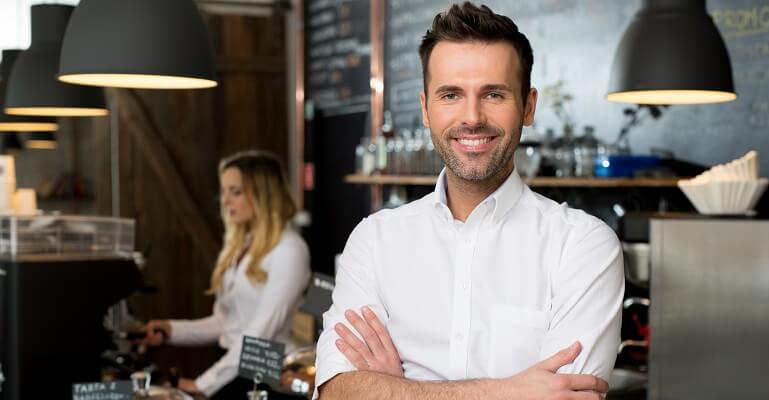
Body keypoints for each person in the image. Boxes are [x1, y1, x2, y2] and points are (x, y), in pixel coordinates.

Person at [314, 3, 624, 399]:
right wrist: (507, 391)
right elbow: (338, 392)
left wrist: (399, 389)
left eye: (494, 94)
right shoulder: (374, 241)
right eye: (451, 95)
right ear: (425, 109)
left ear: (528, 107)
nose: (472, 117)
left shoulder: (582, 245)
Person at [140, 150, 311, 398]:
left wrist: (204, 384)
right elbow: (224, 322)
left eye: (236, 192)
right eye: (224, 191)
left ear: (264, 194)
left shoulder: (290, 249)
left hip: (268, 378)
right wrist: (170, 330)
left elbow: (260, 334)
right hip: (232, 367)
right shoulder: (243, 245)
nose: (225, 200)